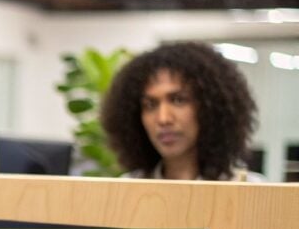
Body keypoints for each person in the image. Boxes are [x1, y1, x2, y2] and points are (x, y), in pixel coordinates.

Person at [100, 41, 263, 181]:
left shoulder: (249, 190)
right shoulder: (127, 190)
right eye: (150, 105)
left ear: (210, 107)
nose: (163, 118)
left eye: (178, 100)